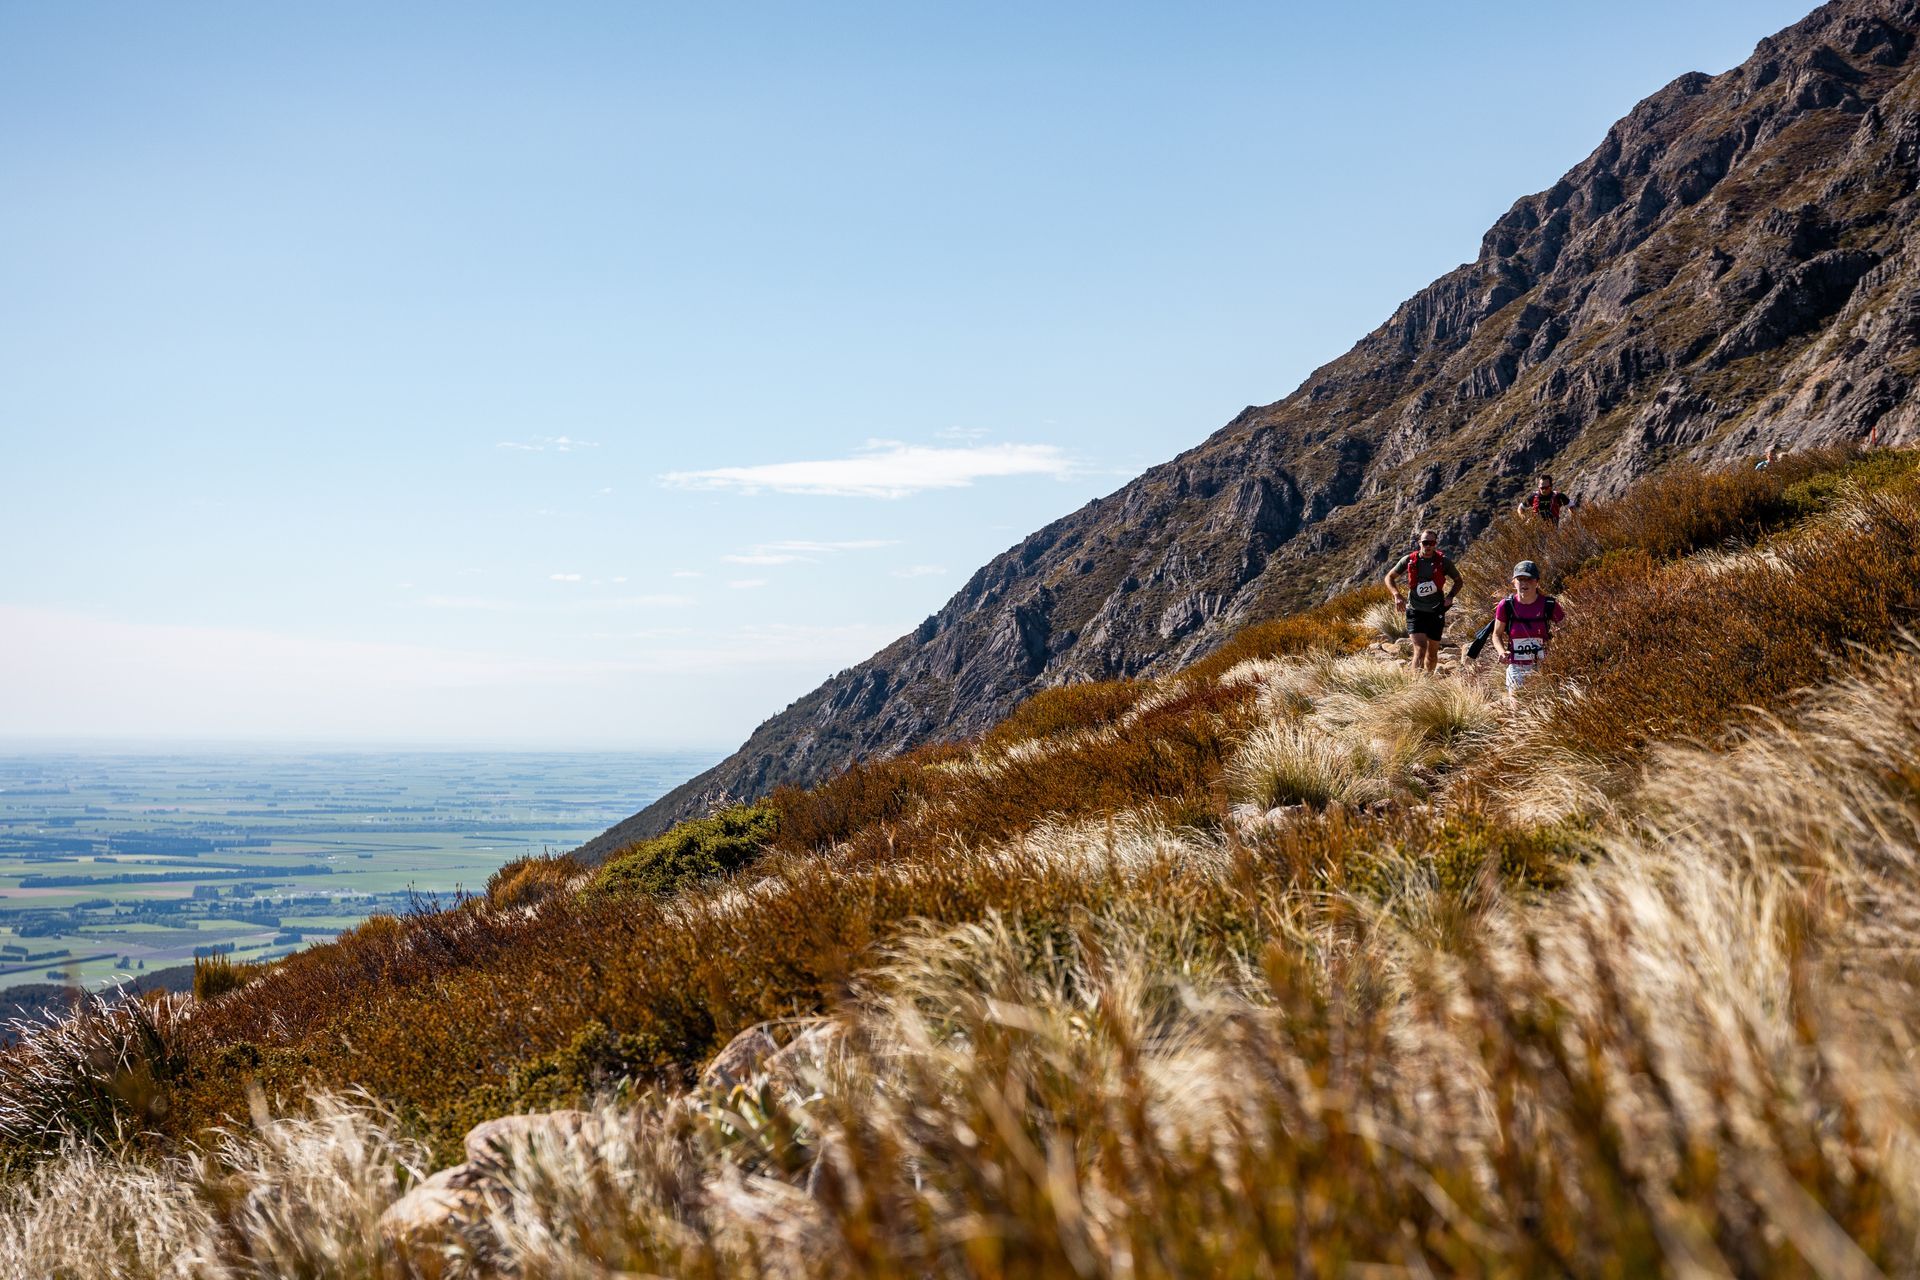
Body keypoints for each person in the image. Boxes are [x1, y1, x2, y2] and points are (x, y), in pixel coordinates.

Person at [1385, 530, 1461, 673]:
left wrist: (1450, 596)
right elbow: (1389, 577)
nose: (1428, 546)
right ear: (1419, 543)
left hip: (1436, 611)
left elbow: (1458, 581)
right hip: (1415, 610)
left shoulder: (1444, 562)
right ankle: (1416, 686)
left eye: (1431, 543)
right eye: (1425, 542)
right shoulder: (1409, 560)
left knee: (1432, 654)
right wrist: (1397, 595)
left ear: (1435, 544)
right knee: (1420, 648)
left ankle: (1428, 680)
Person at [1492, 560, 1566, 699]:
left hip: (1545, 665)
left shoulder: (1550, 605)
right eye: (1520, 579)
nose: (1524, 584)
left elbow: (1566, 630)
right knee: (1517, 710)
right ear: (1514, 582)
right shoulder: (1506, 605)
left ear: (1537, 582)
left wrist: (1559, 640)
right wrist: (1501, 652)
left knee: (1544, 708)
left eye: (1529, 579)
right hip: (1516, 666)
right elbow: (1496, 635)